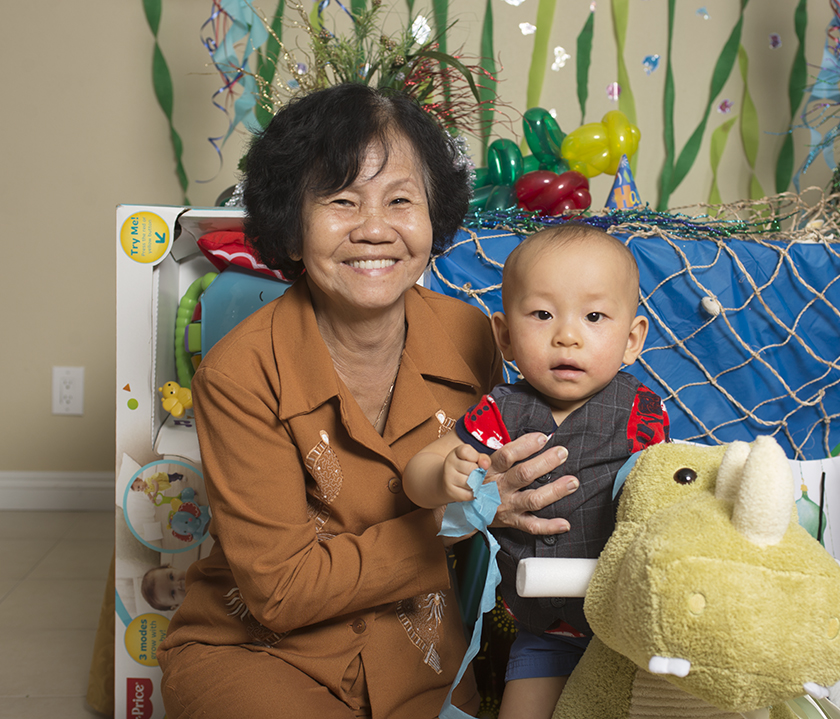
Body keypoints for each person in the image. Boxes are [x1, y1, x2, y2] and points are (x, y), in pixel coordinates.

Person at [156, 83, 580, 719]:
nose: (375, 228)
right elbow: (281, 591)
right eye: (341, 200)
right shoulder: (237, 373)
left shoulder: (474, 335)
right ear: (292, 229)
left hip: (423, 659)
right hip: (258, 654)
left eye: (401, 200)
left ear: (432, 217)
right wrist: (458, 517)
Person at [404, 224, 670, 719]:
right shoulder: (498, 412)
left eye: (594, 316)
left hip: (625, 627)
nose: (567, 335)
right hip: (541, 631)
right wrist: (441, 478)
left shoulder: (640, 412)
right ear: (504, 335)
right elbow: (417, 470)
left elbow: (669, 493)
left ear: (632, 340)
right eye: (543, 314)